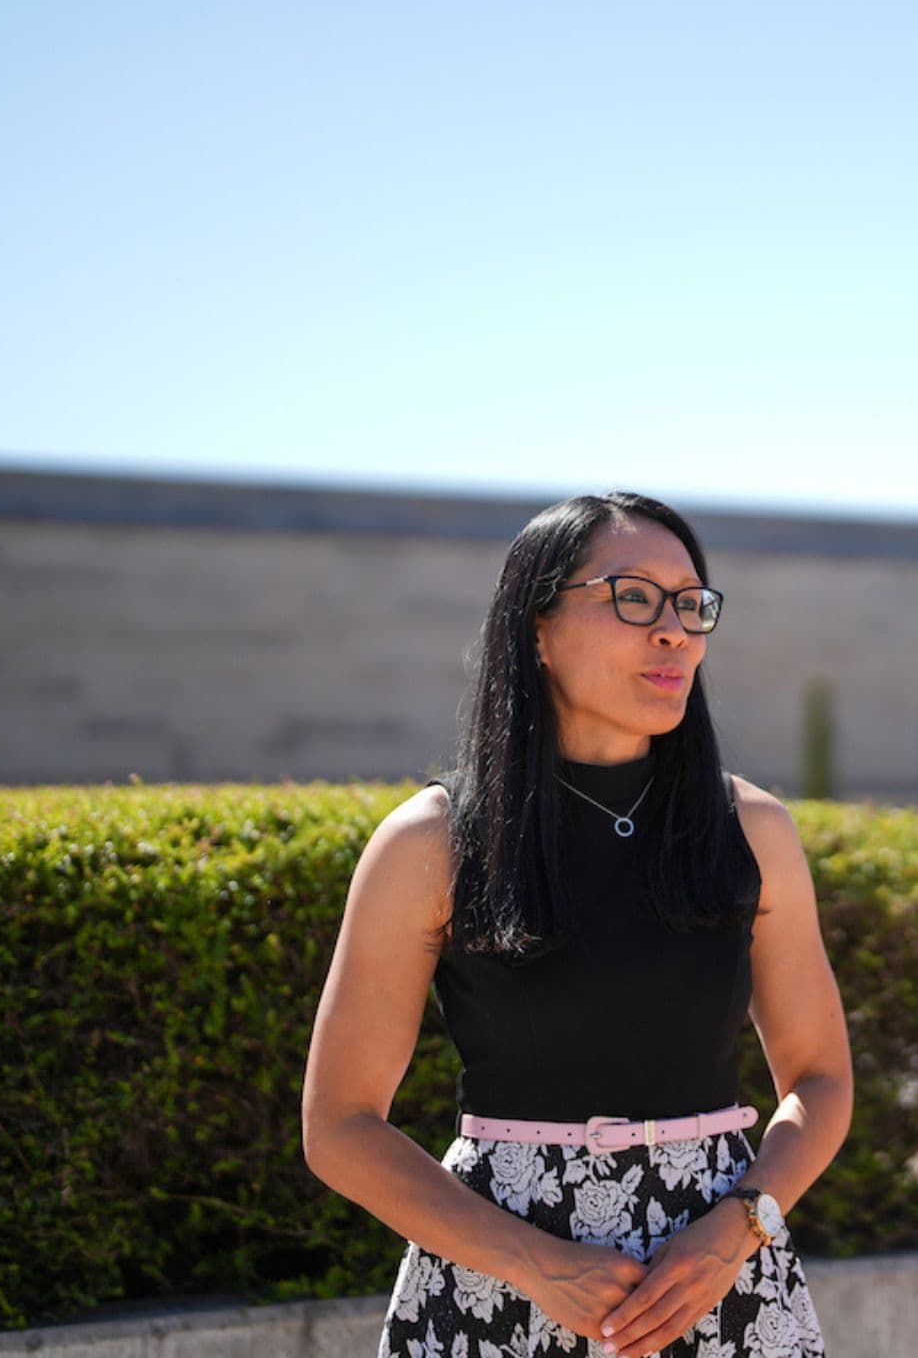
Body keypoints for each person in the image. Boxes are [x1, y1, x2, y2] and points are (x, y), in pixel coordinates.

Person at [302, 490, 852, 1358]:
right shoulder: (432, 841)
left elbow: (820, 1080)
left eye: (690, 604)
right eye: (634, 598)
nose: (673, 631)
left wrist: (739, 1227)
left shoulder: (753, 829)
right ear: (537, 629)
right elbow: (339, 1125)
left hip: (719, 1282)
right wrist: (533, 1262)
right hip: (496, 1286)